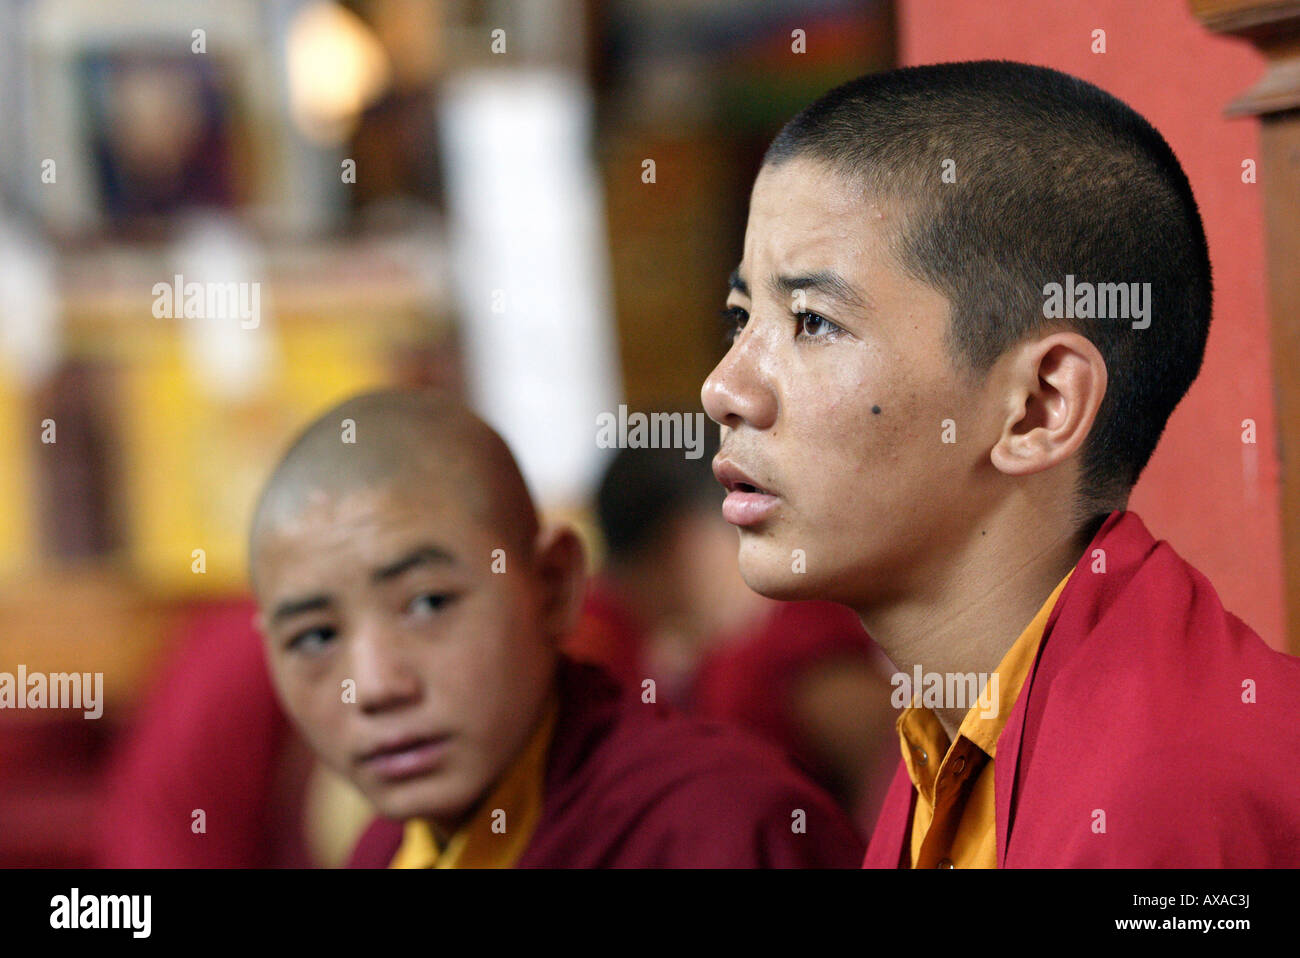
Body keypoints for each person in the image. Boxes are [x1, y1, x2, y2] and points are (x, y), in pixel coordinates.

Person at [700, 60, 1300, 867]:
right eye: (741, 315)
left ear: (1039, 407)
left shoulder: (1177, 795)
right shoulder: (950, 738)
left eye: (812, 320)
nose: (725, 388)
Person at [249, 389, 863, 867]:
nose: (377, 685)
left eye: (430, 603)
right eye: (315, 638)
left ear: (552, 585)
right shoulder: (384, 853)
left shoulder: (722, 828)